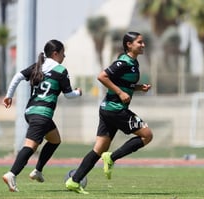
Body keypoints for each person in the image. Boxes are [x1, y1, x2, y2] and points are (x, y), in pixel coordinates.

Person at [65, 31, 153, 194]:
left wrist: (139, 88)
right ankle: (111, 158)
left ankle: (74, 181)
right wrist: (120, 93)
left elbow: (122, 83)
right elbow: (102, 76)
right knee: (147, 135)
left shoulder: (133, 63)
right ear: (129, 44)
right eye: (139, 42)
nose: (143, 45)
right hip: (115, 109)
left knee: (98, 149)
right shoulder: (123, 62)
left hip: (108, 109)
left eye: (143, 42)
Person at [2, 39, 82, 192]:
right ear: (55, 53)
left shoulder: (38, 66)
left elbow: (18, 76)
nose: (64, 56)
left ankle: (37, 171)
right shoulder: (60, 70)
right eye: (63, 53)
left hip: (31, 111)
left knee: (55, 140)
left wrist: (8, 95)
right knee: (30, 146)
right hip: (42, 114)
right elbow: (69, 95)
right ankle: (11, 174)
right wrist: (78, 92)